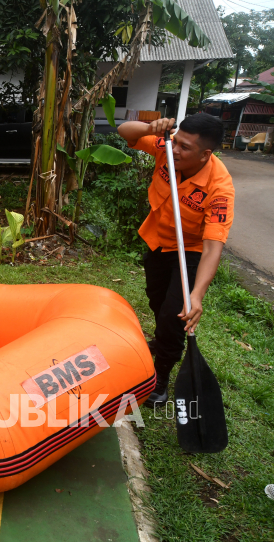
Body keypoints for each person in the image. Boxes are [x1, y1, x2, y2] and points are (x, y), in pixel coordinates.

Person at [117, 113, 234, 405]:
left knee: (174, 313)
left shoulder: (219, 189)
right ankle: (163, 338)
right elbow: (124, 131)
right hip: (158, 239)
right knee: (157, 300)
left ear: (206, 154)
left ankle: (161, 376)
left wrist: (197, 295)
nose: (176, 149)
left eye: (185, 147)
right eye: (176, 141)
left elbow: (212, 247)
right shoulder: (166, 145)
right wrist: (149, 127)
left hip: (190, 251)